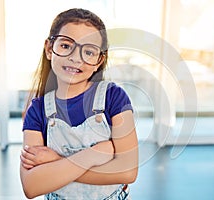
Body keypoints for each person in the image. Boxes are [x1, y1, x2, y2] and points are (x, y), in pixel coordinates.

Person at [20, 8, 138, 200]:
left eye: (89, 52)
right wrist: (93, 154)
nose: (76, 58)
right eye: (66, 46)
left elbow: (127, 172)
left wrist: (58, 162)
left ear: (99, 60)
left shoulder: (114, 98)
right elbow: (32, 186)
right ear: (50, 49)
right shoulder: (38, 110)